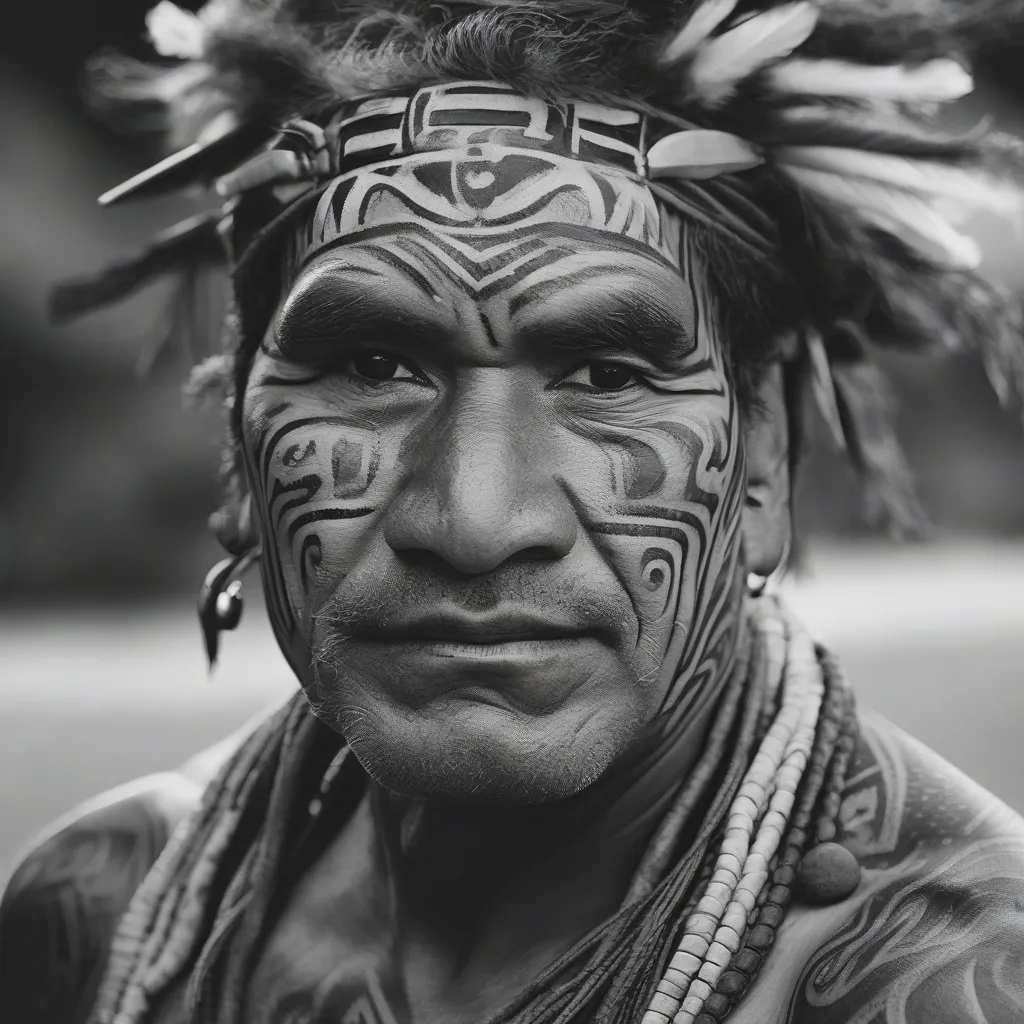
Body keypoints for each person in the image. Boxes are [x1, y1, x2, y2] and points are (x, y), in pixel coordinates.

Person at [2, 1, 1024, 1022]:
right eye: (372, 364)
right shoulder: (103, 914)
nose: (474, 522)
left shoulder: (954, 976)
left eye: (606, 373)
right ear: (239, 453)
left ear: (760, 461)